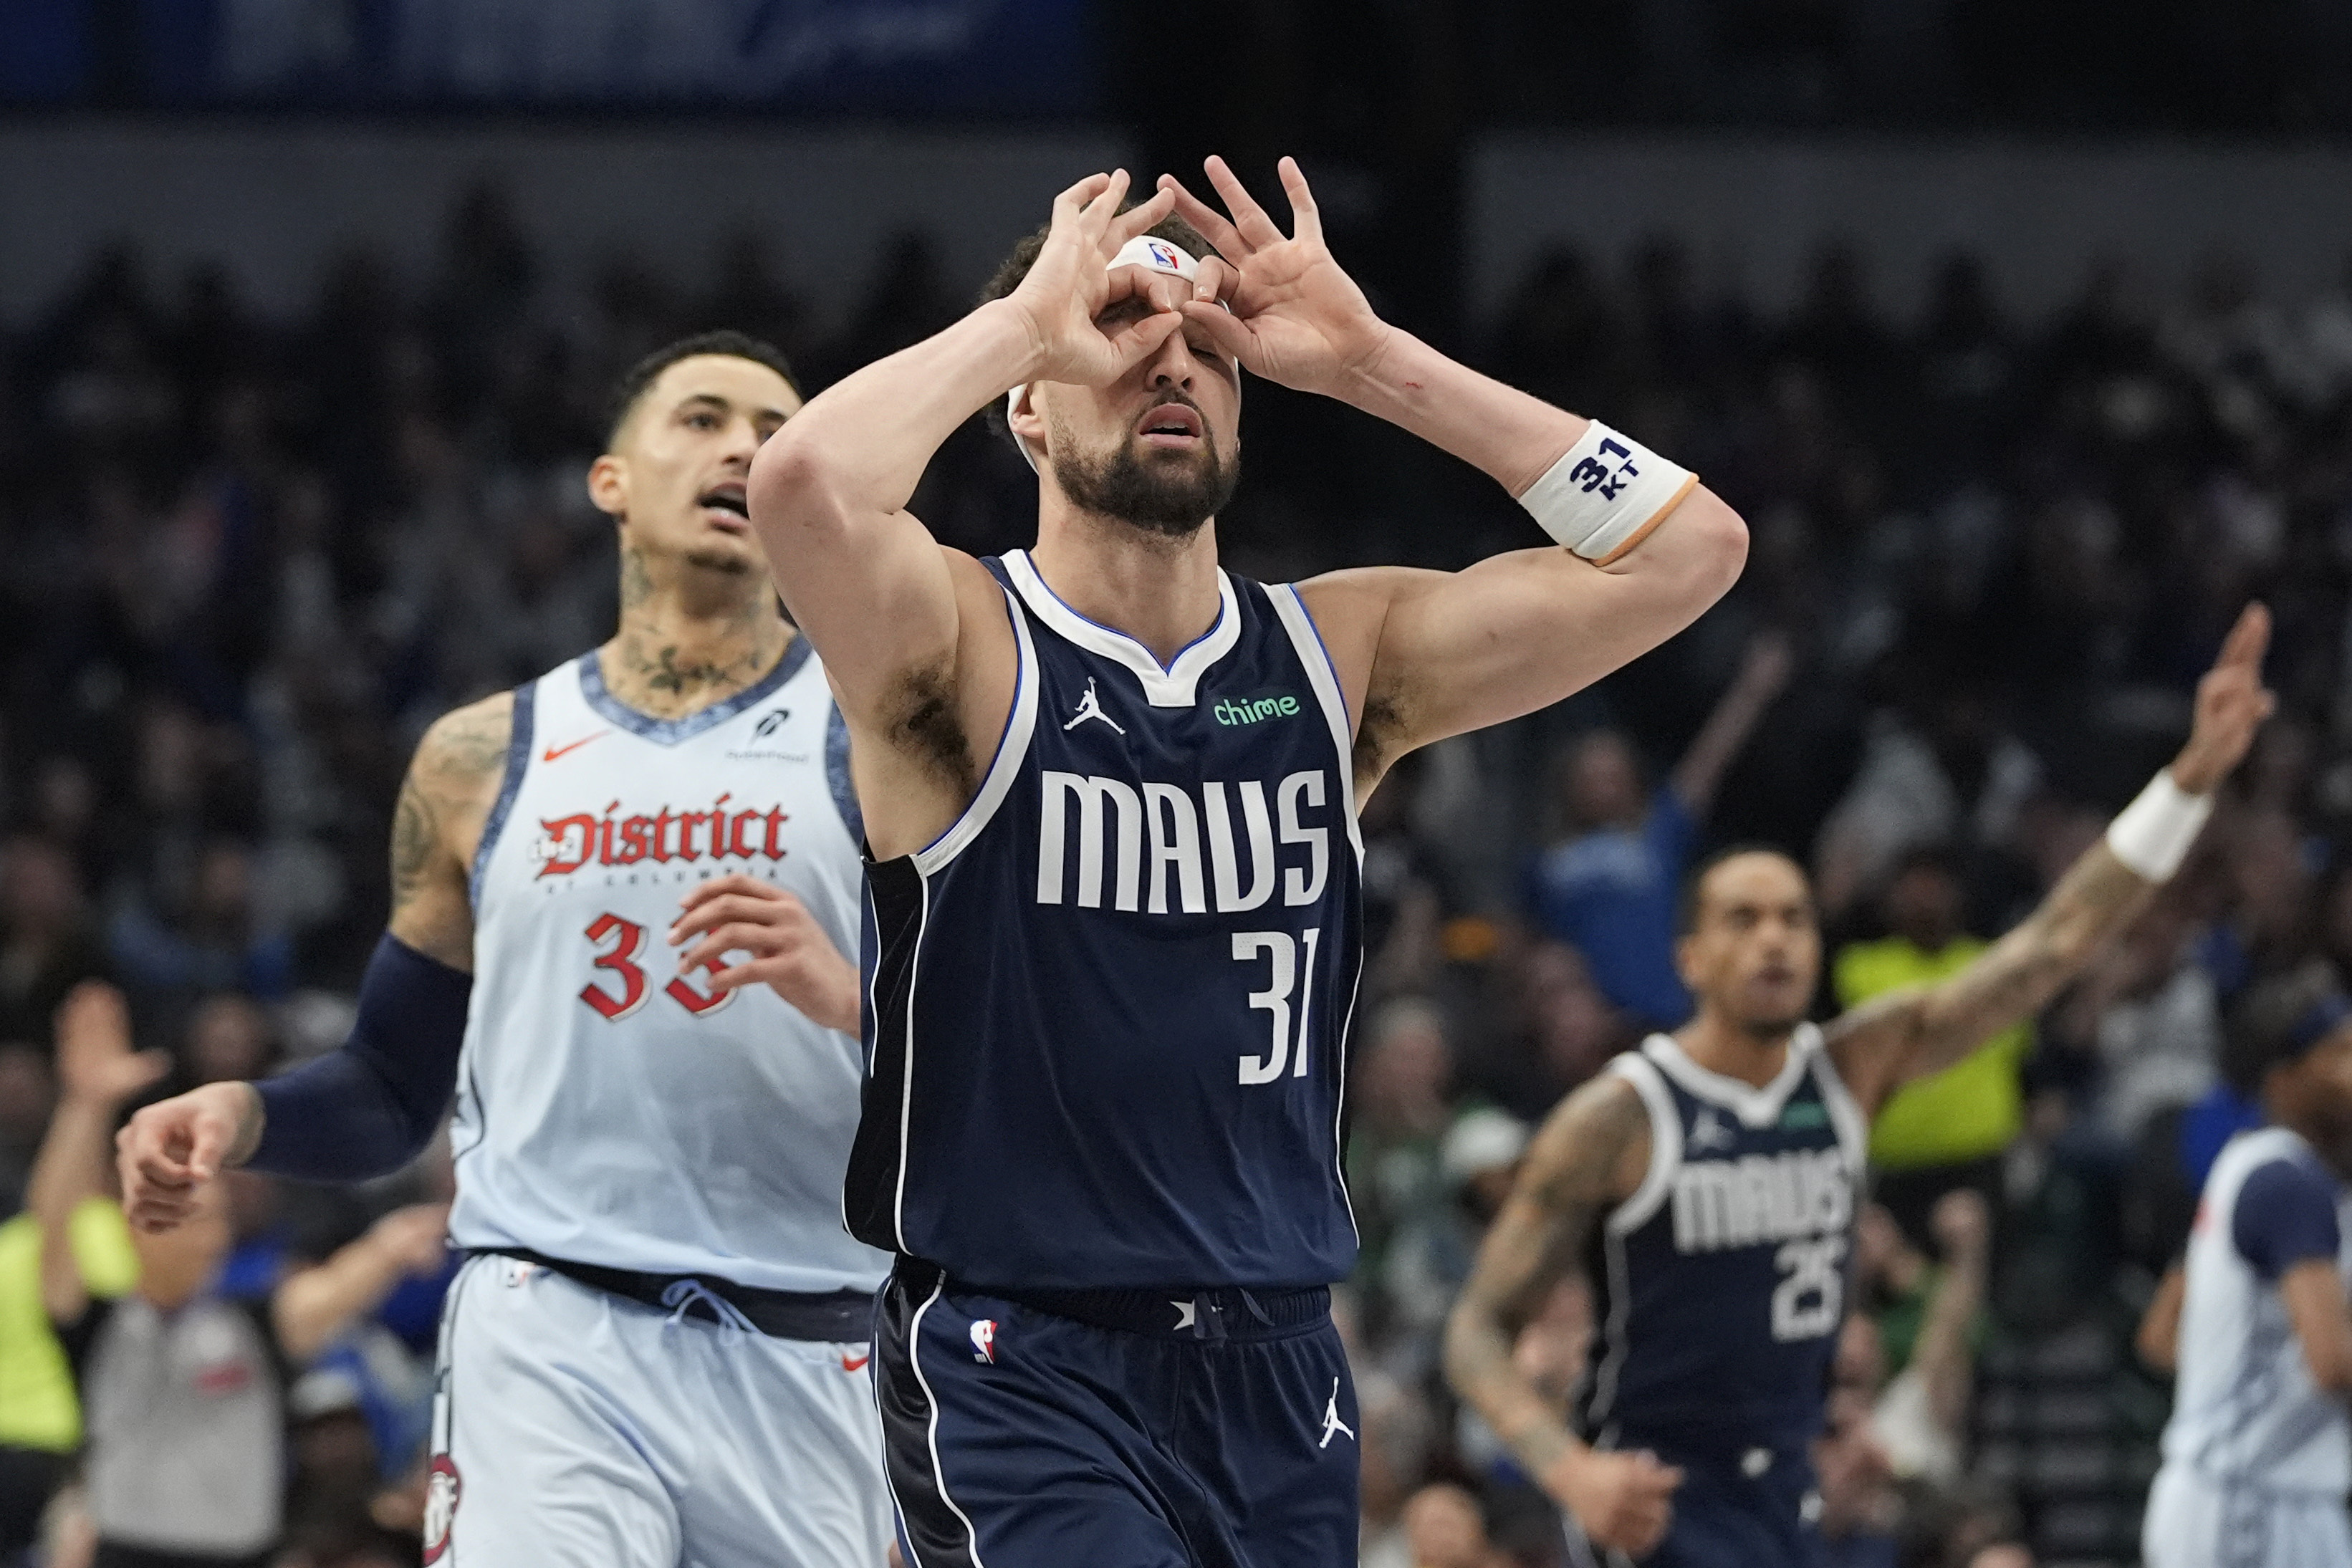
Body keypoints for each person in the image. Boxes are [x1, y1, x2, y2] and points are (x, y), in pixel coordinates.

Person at [747, 161, 1749, 1567]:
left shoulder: (1338, 658)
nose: (1171, 363)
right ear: (1028, 407)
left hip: (1277, 1358)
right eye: (1121, 329)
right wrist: (1025, 322)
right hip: (1021, 1353)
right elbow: (797, 483)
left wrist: (1380, 364)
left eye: (1207, 346)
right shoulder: (957, 644)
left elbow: (1690, 550)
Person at [115, 332, 896, 1567]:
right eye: (700, 418)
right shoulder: (480, 757)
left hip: (814, 1338)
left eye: (774, 430)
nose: (745, 447)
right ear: (609, 482)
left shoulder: (885, 740)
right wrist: (242, 1110)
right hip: (548, 1325)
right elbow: (387, 1085)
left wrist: (860, 998)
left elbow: (1003, 1053)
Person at [1443, 606, 2273, 1567]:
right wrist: (1567, 1471)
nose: (1772, 939)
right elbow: (1473, 1332)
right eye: (1742, 919)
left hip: (1799, 1489)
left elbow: (2054, 943)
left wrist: (2188, 781)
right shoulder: (1621, 1114)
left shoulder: (1853, 1066)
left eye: (1792, 918)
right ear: (1690, 957)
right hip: (1657, 1496)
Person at [34, 982, 450, 1568]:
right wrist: (86, 1103)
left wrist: (389, 1245)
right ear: (133, 1224)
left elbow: (327, 1293)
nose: (195, 1228)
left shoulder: (253, 1322)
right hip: (123, 1554)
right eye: (177, 1210)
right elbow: (52, 1229)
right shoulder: (98, 1324)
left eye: (210, 1217)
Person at [2141, 966, 2352, 1568]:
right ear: (2282, 1078)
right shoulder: (2290, 1185)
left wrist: (2244, 1375)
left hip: (2227, 1489)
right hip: (2255, 1498)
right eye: (2336, 1051)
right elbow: (2332, 1363)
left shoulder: (2241, 1169)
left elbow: (2160, 1338)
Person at [1527, 633, 1791, 1030]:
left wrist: (1752, 690)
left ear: (1633, 779)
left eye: (1613, 774)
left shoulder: (1658, 832)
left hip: (1668, 1013)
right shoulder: (1548, 859)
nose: (1604, 786)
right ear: (1571, 784)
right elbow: (1534, 944)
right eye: (1593, 776)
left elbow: (1708, 764)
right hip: (1589, 1028)